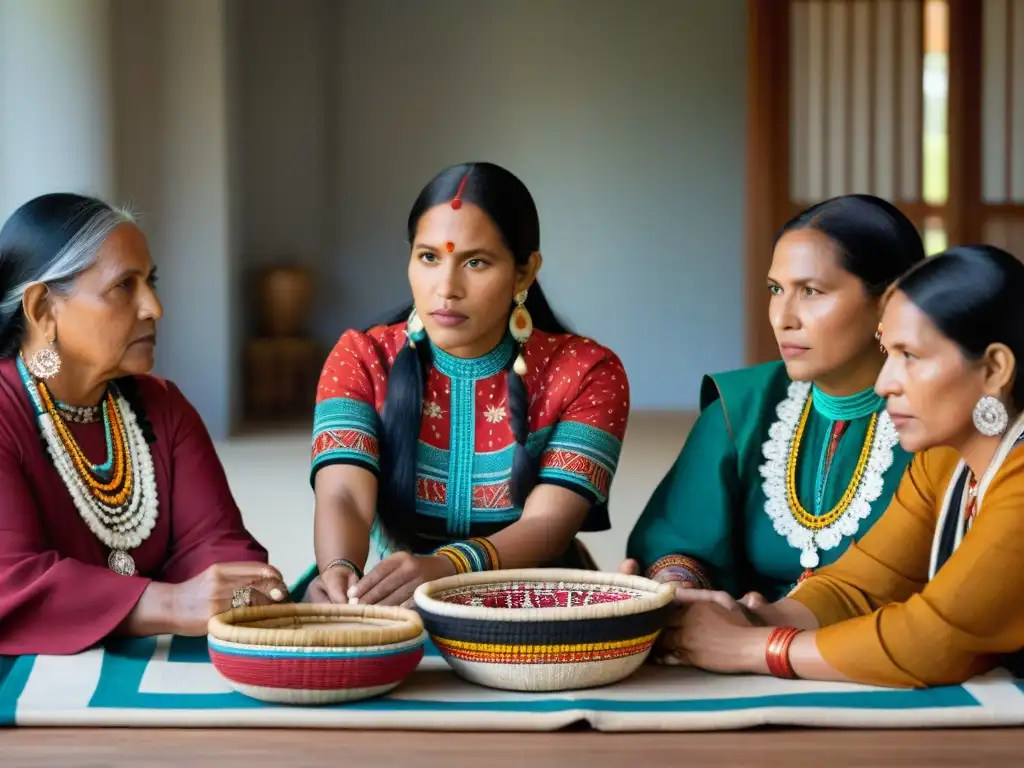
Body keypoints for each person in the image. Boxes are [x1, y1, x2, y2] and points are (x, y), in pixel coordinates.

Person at [662, 244, 1024, 688]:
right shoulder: (946, 457)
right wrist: (752, 617)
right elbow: (861, 585)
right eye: (887, 353)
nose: (885, 382)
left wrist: (747, 648)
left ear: (994, 369)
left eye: (909, 356)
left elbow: (932, 638)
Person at [301, 161, 630, 607]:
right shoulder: (362, 358)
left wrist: (449, 568)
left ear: (524, 272)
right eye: (429, 257)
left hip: (533, 602)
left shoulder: (586, 372)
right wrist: (340, 570)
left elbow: (548, 525)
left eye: (476, 262)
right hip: (389, 596)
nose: (446, 288)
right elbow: (344, 494)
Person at [0, 193, 288, 656]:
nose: (154, 307)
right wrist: (172, 603)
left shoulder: (162, 407)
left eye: (150, 281)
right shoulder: (6, 412)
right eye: (124, 286)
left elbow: (219, 547)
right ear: (41, 310)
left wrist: (240, 595)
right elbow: (10, 582)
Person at [623, 195, 926, 605]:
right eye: (776, 289)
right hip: (735, 649)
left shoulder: (940, 418)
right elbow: (675, 542)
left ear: (889, 301)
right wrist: (683, 586)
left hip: (882, 656)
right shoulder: (741, 408)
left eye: (812, 291)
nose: (783, 317)